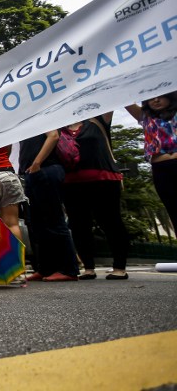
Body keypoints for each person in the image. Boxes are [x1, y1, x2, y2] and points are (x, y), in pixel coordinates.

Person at [63, 113, 129, 280]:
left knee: (111, 222)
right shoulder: (59, 129)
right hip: (71, 183)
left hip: (104, 179)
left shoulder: (97, 120)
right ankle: (88, 267)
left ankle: (119, 267)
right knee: (79, 225)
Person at [19, 131, 79, 282]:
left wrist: (37, 163)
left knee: (54, 220)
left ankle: (68, 269)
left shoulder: (41, 113)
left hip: (45, 169)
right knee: (38, 224)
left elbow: (53, 136)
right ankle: (46, 268)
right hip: (31, 173)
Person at [125, 92, 177, 231]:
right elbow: (124, 99)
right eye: (151, 97)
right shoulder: (145, 116)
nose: (156, 100)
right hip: (161, 169)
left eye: (160, 96)